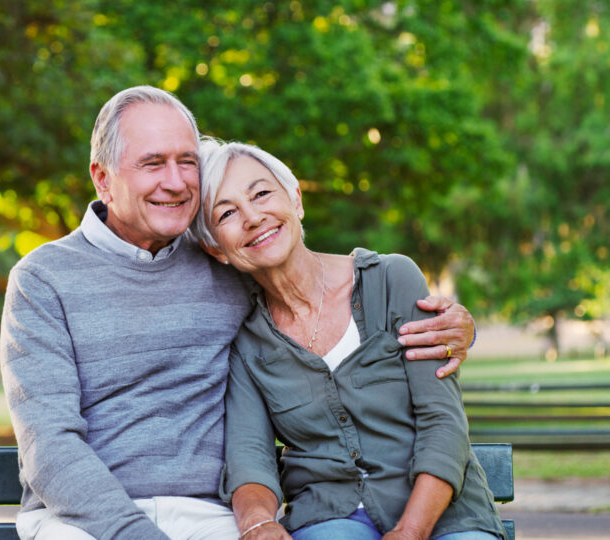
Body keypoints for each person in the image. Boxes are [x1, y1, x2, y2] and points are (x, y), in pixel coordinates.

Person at [0, 85, 477, 540]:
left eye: (186, 161)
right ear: (103, 178)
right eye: (152, 164)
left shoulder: (227, 259)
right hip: (83, 521)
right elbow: (50, 446)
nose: (175, 181)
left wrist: (456, 326)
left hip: (208, 515)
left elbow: (309, 274)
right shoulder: (44, 279)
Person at [191, 139, 505, 540]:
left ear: (296, 200)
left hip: (446, 515)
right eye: (228, 213)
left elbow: (442, 422)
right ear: (215, 248)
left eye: (262, 194)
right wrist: (260, 523)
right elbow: (250, 459)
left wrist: (411, 530)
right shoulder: (247, 342)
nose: (252, 217)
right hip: (330, 518)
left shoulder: (393, 279)